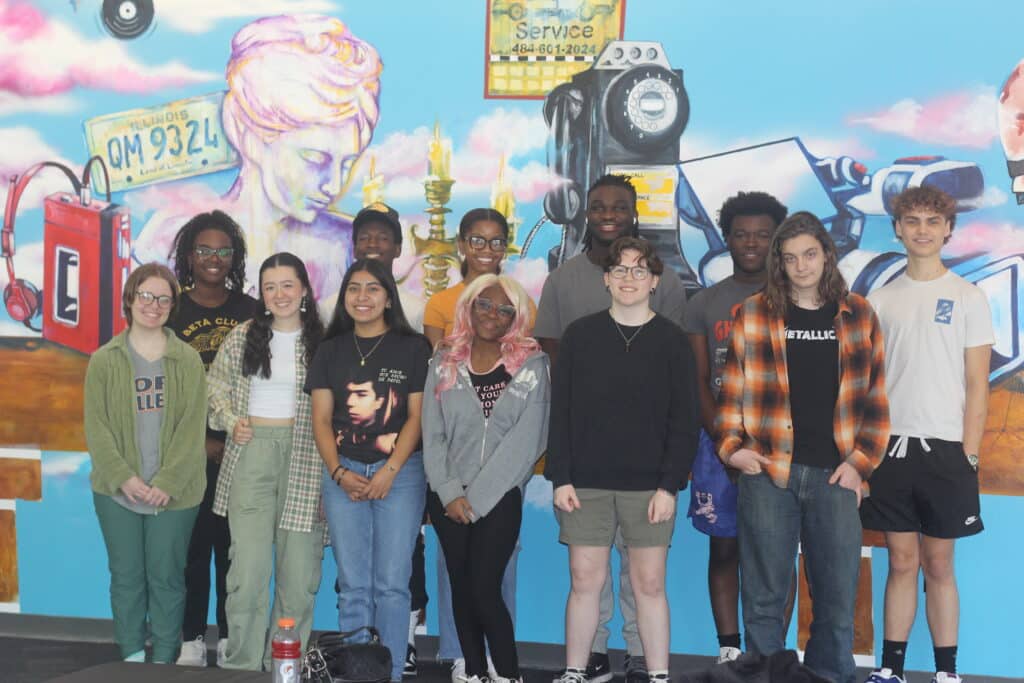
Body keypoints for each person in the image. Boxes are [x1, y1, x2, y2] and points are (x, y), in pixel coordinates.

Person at [715, 212, 889, 683]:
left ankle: (830, 676)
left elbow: (876, 399)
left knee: (836, 597)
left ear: (826, 255)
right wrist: (732, 448)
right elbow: (732, 390)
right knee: (764, 596)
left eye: (810, 254)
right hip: (768, 474)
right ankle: (768, 676)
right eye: (790, 258)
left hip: (837, 475)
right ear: (780, 263)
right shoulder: (754, 312)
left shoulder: (859, 314)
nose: (801, 266)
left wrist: (860, 464)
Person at [535, 175, 688, 683]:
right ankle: (575, 670)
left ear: (654, 280)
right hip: (587, 483)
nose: (628, 278)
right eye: (620, 269)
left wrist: (669, 485)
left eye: (639, 270)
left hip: (649, 486)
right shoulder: (580, 336)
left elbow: (683, 419)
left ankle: (658, 673)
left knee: (649, 583)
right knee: (584, 579)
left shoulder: (671, 341)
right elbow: (562, 411)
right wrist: (561, 476)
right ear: (606, 278)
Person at [860, 187, 993, 683]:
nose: (922, 230)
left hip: (947, 453)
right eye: (912, 221)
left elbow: (977, 384)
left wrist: (969, 454)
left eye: (932, 221)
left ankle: (946, 671)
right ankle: (890, 668)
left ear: (948, 229)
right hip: (891, 450)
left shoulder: (968, 297)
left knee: (938, 564)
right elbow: (868, 384)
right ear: (897, 229)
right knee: (901, 561)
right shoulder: (879, 300)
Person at [308, 258, 432, 683]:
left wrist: (389, 470)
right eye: (354, 288)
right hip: (343, 473)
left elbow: (417, 417)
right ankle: (358, 675)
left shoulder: (412, 347)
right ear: (344, 297)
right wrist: (338, 472)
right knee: (353, 586)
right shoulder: (329, 350)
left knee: (392, 585)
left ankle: (390, 675)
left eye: (373, 288)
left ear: (388, 298)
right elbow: (321, 419)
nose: (363, 297)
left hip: (401, 475)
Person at [681, 191, 791, 663]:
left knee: (775, 556)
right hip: (716, 443)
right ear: (725, 238)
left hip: (780, 445)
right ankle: (729, 649)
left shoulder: (796, 299)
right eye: (741, 234)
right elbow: (698, 381)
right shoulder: (704, 303)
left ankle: (770, 653)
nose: (751, 243)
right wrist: (725, 444)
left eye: (763, 235)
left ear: (777, 240)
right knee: (724, 550)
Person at [423, 207, 532, 680]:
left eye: (504, 310)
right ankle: (472, 669)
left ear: (517, 316)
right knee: (462, 586)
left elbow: (527, 440)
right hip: (449, 494)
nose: (493, 314)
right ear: (468, 309)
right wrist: (450, 493)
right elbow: (432, 432)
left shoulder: (532, 365)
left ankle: (507, 673)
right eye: (484, 306)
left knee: (487, 588)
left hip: (498, 497)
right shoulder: (444, 361)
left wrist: (480, 498)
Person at [206, 252, 326, 671]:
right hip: (252, 453)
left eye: (288, 285)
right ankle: (241, 665)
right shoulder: (243, 336)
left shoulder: (325, 341)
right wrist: (230, 420)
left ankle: (284, 668)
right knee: (247, 572)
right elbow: (214, 386)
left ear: (304, 289)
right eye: (270, 287)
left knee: (299, 575)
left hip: (308, 458)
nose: (280, 295)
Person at [84, 263, 207, 664]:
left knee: (167, 578)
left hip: (176, 494)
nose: (153, 305)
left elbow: (192, 428)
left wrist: (167, 481)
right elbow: (97, 427)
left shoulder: (188, 360)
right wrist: (124, 478)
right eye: (146, 296)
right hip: (116, 492)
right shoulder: (104, 360)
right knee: (126, 577)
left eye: (163, 299)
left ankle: (164, 661)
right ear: (130, 299)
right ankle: (133, 657)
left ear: (172, 306)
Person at [168, 211, 259, 668]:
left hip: (240, 450)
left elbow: (263, 382)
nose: (214, 258)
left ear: (234, 257)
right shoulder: (172, 310)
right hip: (185, 453)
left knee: (232, 551)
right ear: (189, 255)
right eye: (204, 249)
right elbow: (162, 389)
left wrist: (237, 440)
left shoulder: (251, 311)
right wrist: (198, 443)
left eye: (223, 250)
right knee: (191, 550)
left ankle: (228, 636)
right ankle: (189, 638)